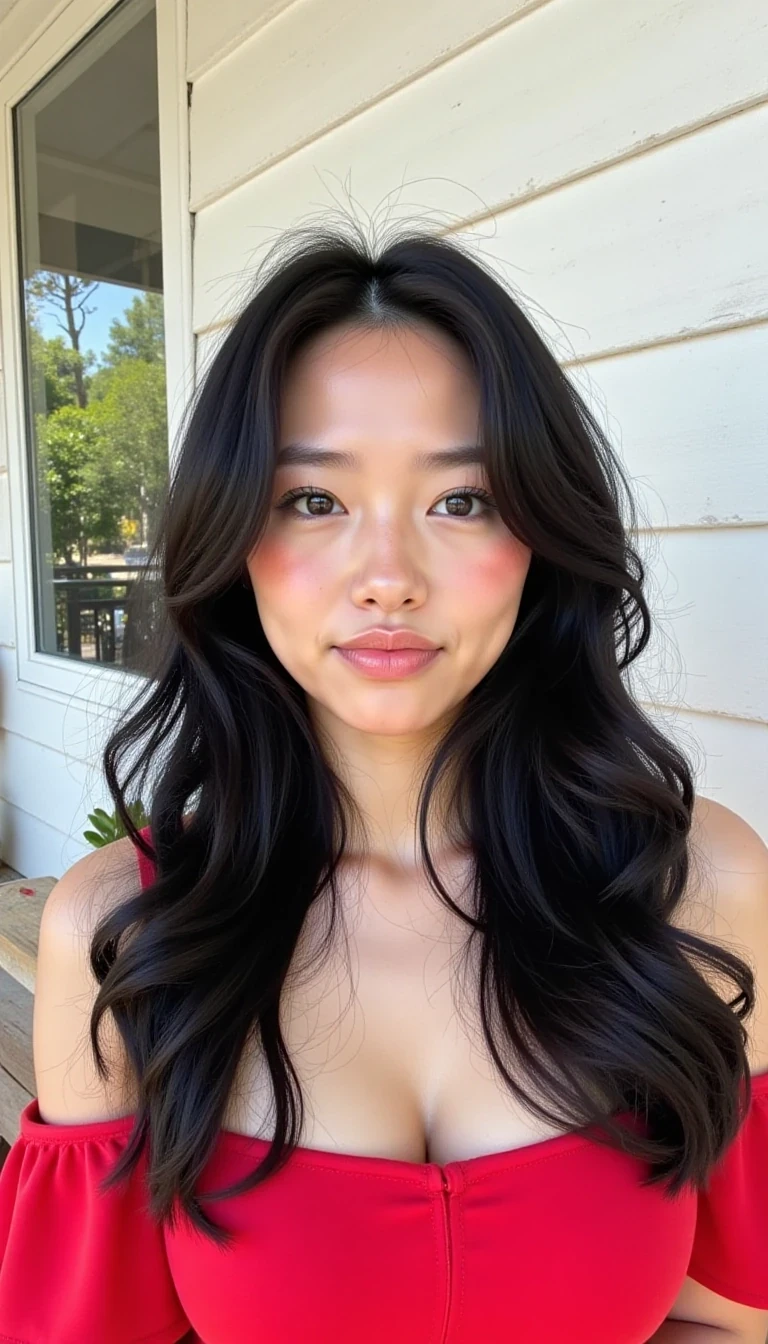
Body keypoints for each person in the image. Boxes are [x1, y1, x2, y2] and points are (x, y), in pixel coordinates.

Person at [0, 222, 766, 1344]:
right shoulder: (127, 934)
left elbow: (725, 1314)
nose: (390, 580)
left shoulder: (692, 884)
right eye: (314, 500)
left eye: (462, 501)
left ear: (543, 539)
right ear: (234, 538)